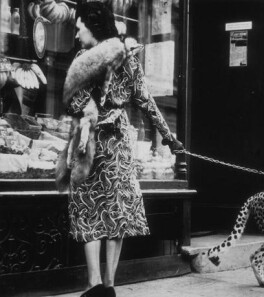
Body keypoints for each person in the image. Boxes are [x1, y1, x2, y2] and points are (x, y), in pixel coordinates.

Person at [63, 2, 184, 297]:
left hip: (89, 143)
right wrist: (169, 138)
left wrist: (93, 112)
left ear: (94, 27)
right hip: (116, 143)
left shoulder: (83, 60)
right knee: (114, 211)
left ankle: (94, 285)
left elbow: (73, 102)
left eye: (79, 28)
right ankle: (108, 285)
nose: (77, 34)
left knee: (89, 209)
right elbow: (147, 102)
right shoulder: (129, 60)